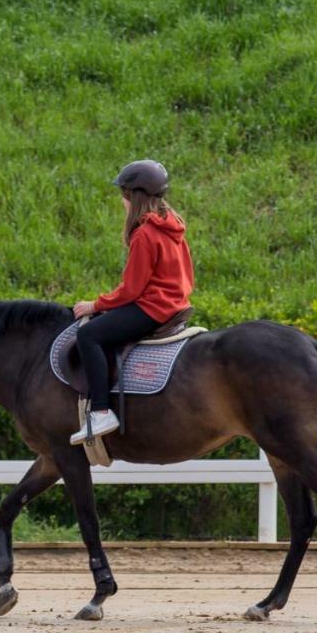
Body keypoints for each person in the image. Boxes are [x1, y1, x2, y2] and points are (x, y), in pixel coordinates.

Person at [70, 159, 195, 444]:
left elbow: (130, 291)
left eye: (124, 195)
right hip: (174, 303)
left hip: (153, 308)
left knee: (89, 334)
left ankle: (101, 411)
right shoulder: (172, 227)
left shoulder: (145, 234)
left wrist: (95, 304)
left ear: (133, 197)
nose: (122, 202)